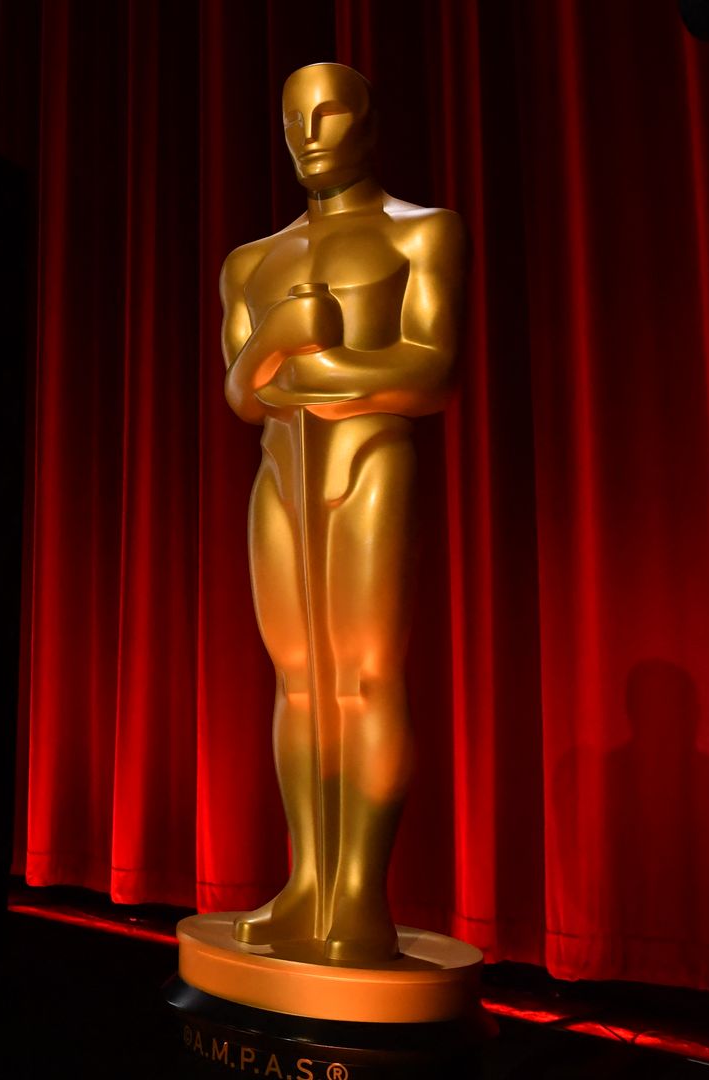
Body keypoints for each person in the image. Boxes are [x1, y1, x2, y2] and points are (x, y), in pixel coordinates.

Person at [219, 63, 464, 963]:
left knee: (363, 675)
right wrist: (279, 346)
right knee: (296, 681)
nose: (308, 133)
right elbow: (242, 393)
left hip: (370, 462)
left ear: (367, 119)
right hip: (280, 473)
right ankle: (308, 883)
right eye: (292, 119)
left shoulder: (422, 232)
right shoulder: (253, 259)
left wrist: (305, 370)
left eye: (328, 113)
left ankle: (359, 891)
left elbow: (432, 368)